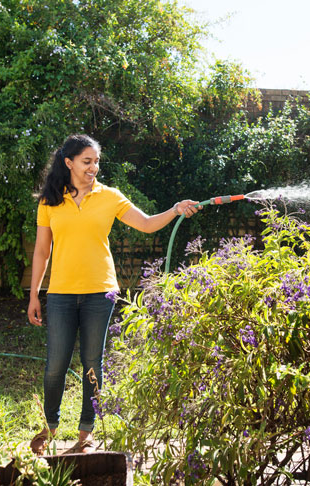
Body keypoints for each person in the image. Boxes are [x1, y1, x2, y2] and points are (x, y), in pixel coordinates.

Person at [27, 134, 200, 454]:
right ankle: (49, 428)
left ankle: (86, 433)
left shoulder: (110, 196)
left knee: (92, 362)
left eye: (96, 162)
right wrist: (34, 294)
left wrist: (175, 209)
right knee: (55, 365)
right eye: (86, 161)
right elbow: (41, 250)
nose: (93, 167)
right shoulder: (50, 200)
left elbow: (147, 224)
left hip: (100, 293)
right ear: (69, 163)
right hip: (62, 293)